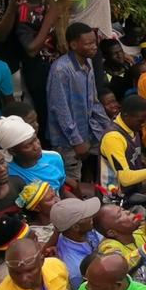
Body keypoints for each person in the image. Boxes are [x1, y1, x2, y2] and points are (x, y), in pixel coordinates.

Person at [47, 23, 112, 183]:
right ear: (74, 45)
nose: (94, 47)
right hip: (67, 140)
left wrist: (110, 128)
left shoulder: (88, 63)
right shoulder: (61, 70)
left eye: (94, 43)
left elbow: (94, 102)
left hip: (88, 131)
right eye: (88, 43)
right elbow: (61, 110)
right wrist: (77, 141)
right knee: (72, 179)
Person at [99, 95, 146, 195]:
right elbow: (125, 179)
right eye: (140, 121)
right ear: (125, 115)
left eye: (145, 120)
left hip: (132, 190)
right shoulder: (113, 138)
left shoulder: (132, 127)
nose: (143, 125)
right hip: (114, 198)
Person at [51, 197, 102, 290]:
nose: (92, 216)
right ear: (76, 227)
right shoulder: (75, 268)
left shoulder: (87, 231)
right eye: (87, 216)